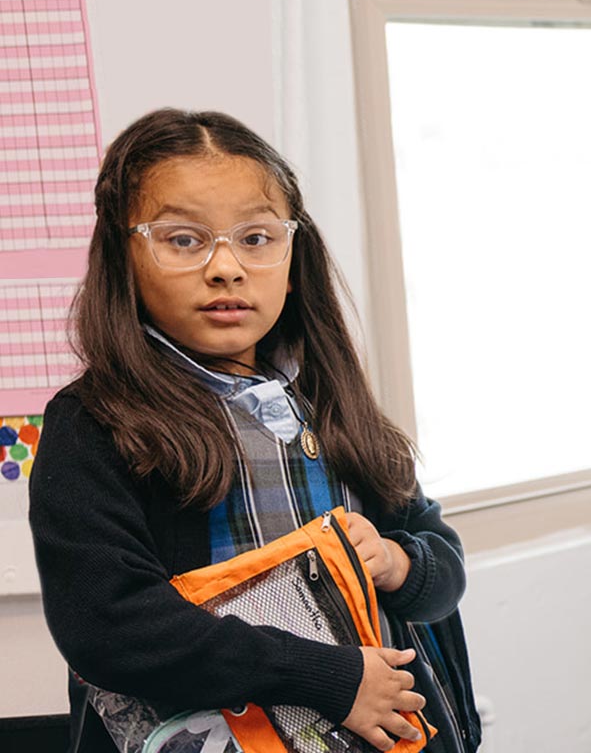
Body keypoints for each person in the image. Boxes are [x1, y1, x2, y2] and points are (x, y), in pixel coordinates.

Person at [30, 109, 476, 752]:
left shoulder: (331, 400)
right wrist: (331, 676)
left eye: (257, 238)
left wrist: (399, 563)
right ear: (123, 257)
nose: (226, 268)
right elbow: (110, 626)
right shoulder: (95, 423)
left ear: (293, 260)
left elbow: (445, 565)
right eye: (183, 239)